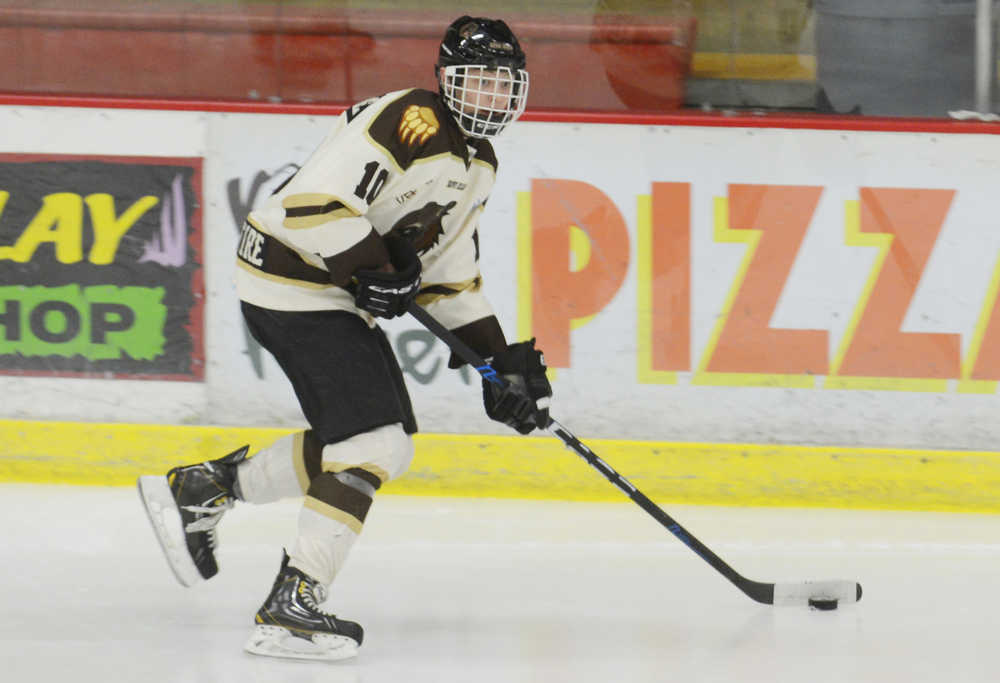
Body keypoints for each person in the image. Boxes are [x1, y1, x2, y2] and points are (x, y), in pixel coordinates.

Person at [137, 16, 552, 662]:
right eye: (479, 82)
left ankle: (205, 487)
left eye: (505, 85)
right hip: (290, 277)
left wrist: (501, 362)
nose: (492, 98)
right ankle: (292, 607)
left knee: (385, 446)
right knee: (372, 442)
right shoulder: (409, 121)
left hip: (325, 289)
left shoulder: (480, 165)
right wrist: (371, 268)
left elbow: (447, 276)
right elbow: (310, 204)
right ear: (447, 81)